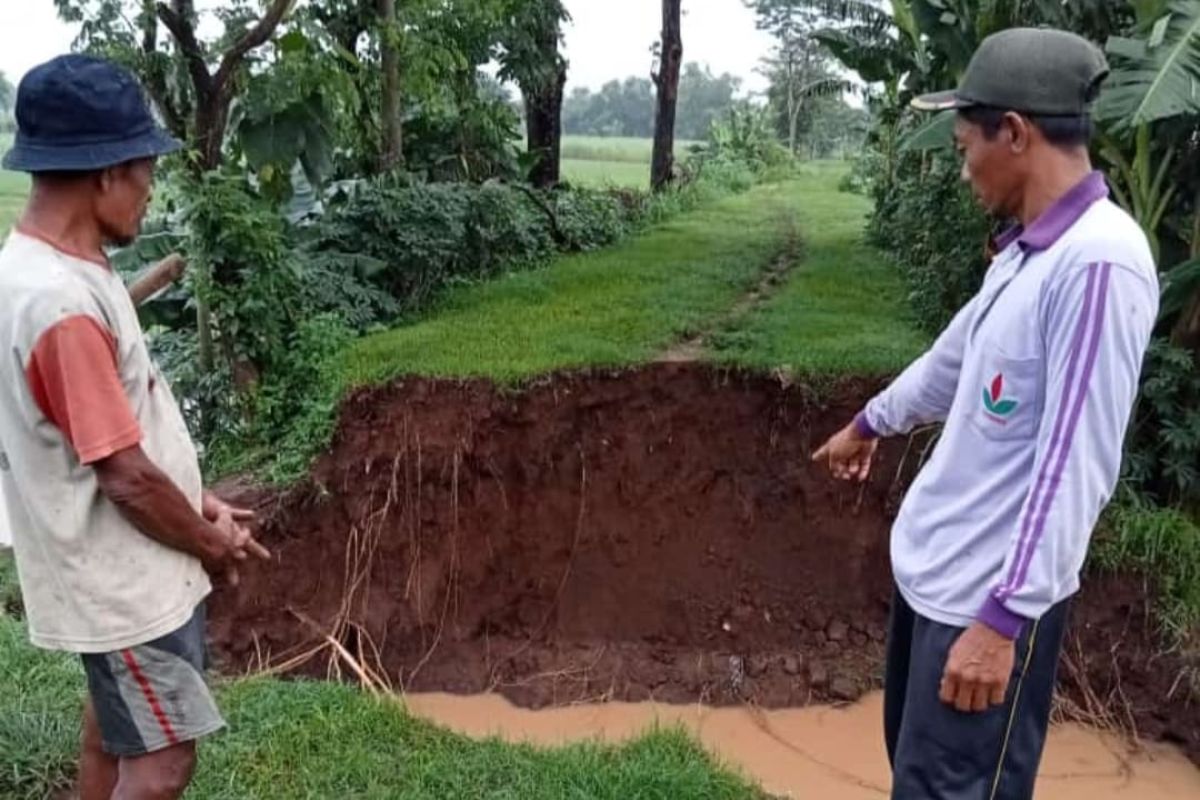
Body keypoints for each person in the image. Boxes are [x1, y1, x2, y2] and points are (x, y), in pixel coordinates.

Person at [812, 28, 1159, 800]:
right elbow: (954, 361)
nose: (962, 165)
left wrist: (1004, 620)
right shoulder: (1031, 252)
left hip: (985, 605)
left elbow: (1077, 465)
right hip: (935, 593)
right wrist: (868, 423)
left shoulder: (1098, 265)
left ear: (1015, 133)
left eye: (967, 144)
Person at [0, 55, 270, 800]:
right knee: (160, 765)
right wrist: (211, 543)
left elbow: (117, 432)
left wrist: (199, 496)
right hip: (124, 584)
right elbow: (123, 474)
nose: (151, 193)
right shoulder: (60, 306)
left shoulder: (50, 270)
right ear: (105, 172)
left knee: (110, 738)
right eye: (147, 172)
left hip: (115, 569)